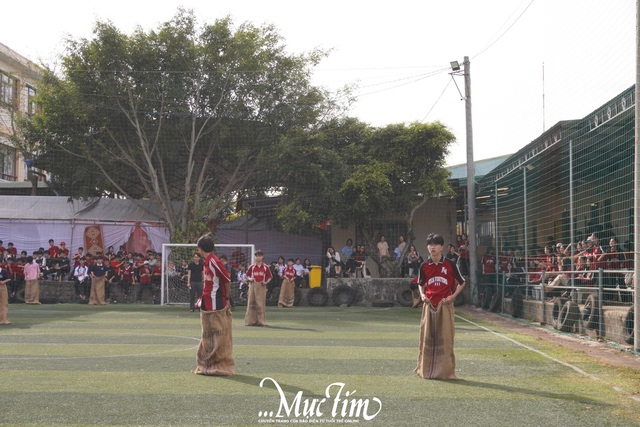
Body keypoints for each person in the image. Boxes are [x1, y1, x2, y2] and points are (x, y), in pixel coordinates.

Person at [415, 233, 465, 380]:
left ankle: (446, 372)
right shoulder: (424, 265)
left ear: (442, 247)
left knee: (446, 338)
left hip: (445, 305)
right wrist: (422, 295)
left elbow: (462, 282)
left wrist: (453, 296)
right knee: (427, 337)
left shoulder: (450, 264)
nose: (432, 247)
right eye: (430, 245)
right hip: (429, 304)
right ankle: (425, 369)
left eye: (435, 244)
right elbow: (420, 283)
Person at [192, 234, 235, 376]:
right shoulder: (207, 262)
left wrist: (227, 297)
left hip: (215, 300)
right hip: (206, 299)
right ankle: (207, 363)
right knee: (208, 332)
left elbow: (227, 279)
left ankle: (218, 363)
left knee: (217, 332)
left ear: (200, 248)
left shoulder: (214, 261)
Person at [245, 250, 272, 326]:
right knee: (251, 302)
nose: (258, 257)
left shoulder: (266, 267)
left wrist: (266, 282)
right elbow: (247, 275)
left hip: (261, 286)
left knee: (260, 303)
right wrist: (250, 279)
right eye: (256, 256)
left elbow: (270, 277)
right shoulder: (252, 267)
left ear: (262, 257)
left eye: (259, 255)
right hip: (253, 285)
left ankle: (261, 321)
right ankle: (250, 321)